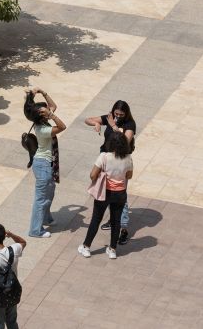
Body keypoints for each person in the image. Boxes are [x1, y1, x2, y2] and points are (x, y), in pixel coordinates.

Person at [79, 130, 134, 259]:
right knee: (116, 221)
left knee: (96, 219)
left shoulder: (104, 156)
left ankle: (86, 247)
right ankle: (112, 250)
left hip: (104, 192)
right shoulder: (128, 158)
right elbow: (129, 176)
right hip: (120, 193)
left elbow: (92, 175)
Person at [22, 89, 66, 237]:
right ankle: (35, 230)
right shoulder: (43, 129)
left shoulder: (41, 121)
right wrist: (52, 115)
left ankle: (46, 218)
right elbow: (62, 127)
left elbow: (54, 106)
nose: (49, 109)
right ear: (42, 115)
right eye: (46, 110)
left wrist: (42, 92)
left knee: (50, 192)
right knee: (40, 199)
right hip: (43, 166)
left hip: (47, 165)